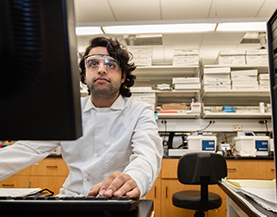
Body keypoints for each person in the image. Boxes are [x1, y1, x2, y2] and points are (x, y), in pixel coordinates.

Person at [0, 37, 163, 199]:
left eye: (111, 64)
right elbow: (28, 148)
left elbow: (147, 155)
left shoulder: (140, 111)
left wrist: (135, 178)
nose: (101, 70)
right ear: (84, 76)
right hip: (71, 200)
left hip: (118, 199)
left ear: (123, 77)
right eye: (93, 64)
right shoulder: (68, 111)